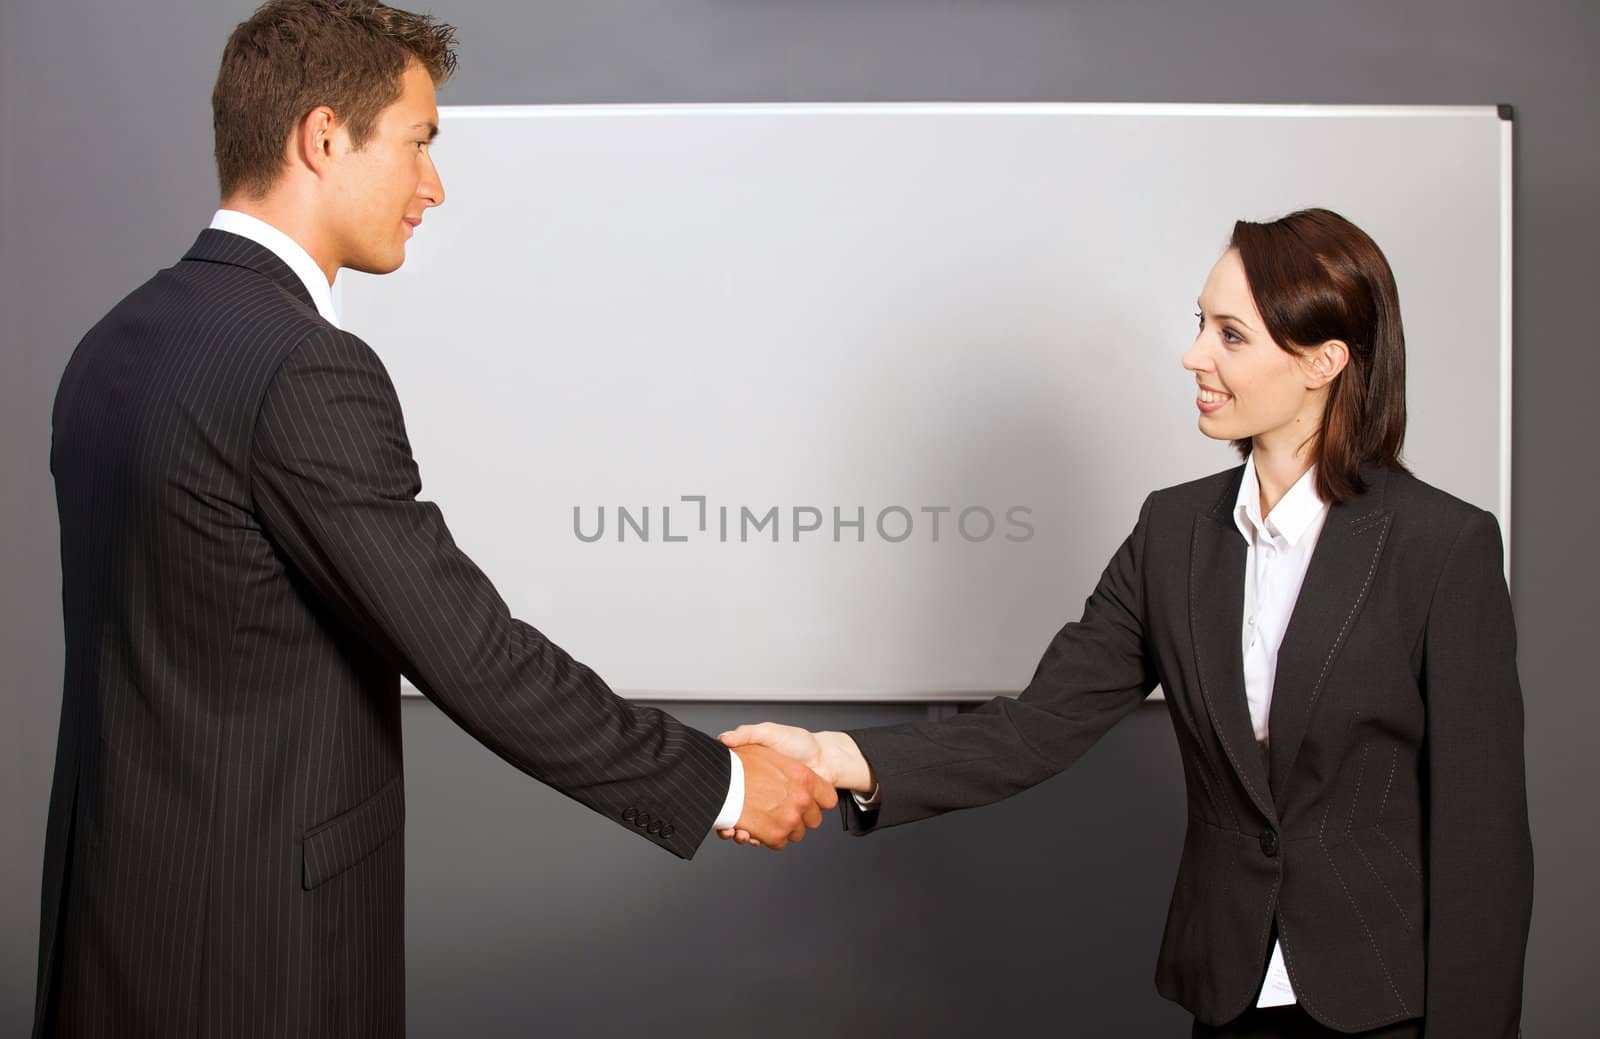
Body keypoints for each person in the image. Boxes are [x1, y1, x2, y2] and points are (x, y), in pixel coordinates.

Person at [34, 2, 835, 1036]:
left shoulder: (113, 343)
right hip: (257, 953)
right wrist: (721, 785)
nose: (434, 186)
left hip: (110, 922)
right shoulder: (306, 368)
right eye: (418, 143)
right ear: (323, 137)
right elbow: (472, 654)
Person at [723, 209, 1533, 1037]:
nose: (1195, 355)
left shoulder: (1443, 546)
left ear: (1324, 361)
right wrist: (829, 754)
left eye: (1231, 335)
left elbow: (1483, 839)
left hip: (1387, 999)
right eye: (1200, 324)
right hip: (1228, 991)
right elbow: (1036, 727)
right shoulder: (1173, 533)